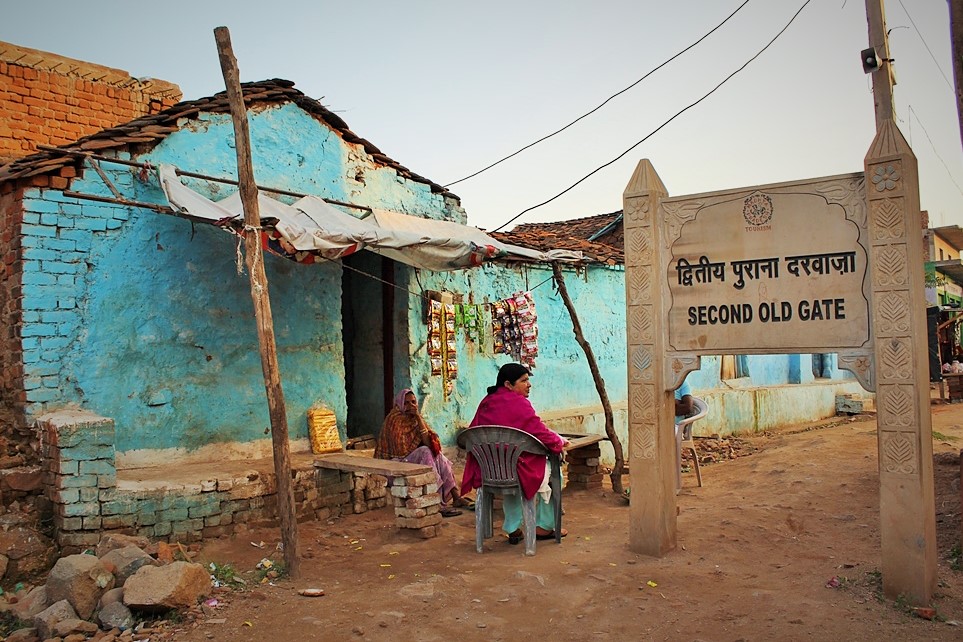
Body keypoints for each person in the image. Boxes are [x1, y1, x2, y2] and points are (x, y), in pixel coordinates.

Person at [461, 363, 568, 544]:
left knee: (511, 467)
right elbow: (540, 432)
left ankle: (512, 528)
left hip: (489, 472)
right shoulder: (519, 404)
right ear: (508, 385)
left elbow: (472, 434)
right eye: (524, 381)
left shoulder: (487, 402)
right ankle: (544, 527)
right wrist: (559, 443)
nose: (529, 385)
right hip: (517, 471)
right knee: (554, 472)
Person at [375, 389, 470, 517]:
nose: (410, 406)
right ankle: (437, 503)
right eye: (406, 403)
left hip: (411, 461)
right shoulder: (393, 420)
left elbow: (429, 443)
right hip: (395, 465)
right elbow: (401, 451)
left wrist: (419, 418)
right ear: (399, 404)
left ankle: (456, 496)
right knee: (425, 452)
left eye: (413, 402)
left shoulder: (415, 419)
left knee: (437, 454)